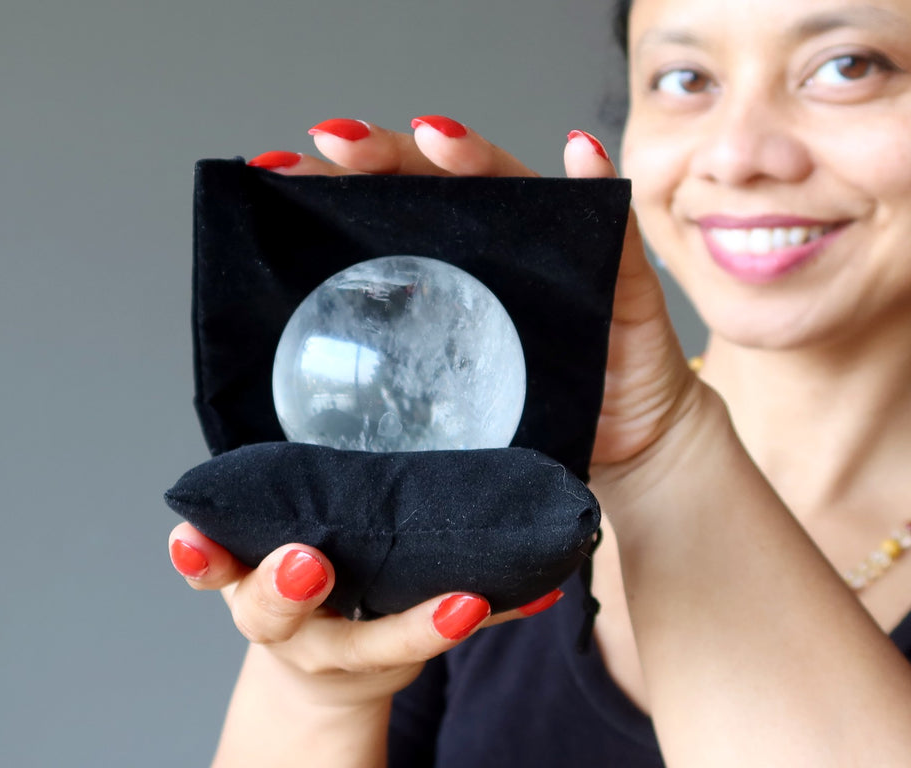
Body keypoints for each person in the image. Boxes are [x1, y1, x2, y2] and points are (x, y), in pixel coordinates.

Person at [167, 0, 911, 764]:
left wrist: (665, 454)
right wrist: (320, 690)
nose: (736, 153)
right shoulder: (459, 492)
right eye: (685, 78)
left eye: (848, 67)